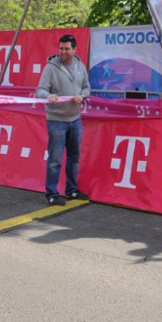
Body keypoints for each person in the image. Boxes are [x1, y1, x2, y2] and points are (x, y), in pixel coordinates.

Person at [35, 34, 91, 206]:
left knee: (74, 156)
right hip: (56, 120)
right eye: (61, 48)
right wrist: (48, 95)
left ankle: (71, 190)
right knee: (55, 159)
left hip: (75, 119)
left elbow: (87, 88)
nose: (63, 52)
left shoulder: (80, 66)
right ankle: (51, 194)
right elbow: (40, 90)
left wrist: (82, 96)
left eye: (67, 49)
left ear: (74, 50)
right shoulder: (50, 68)